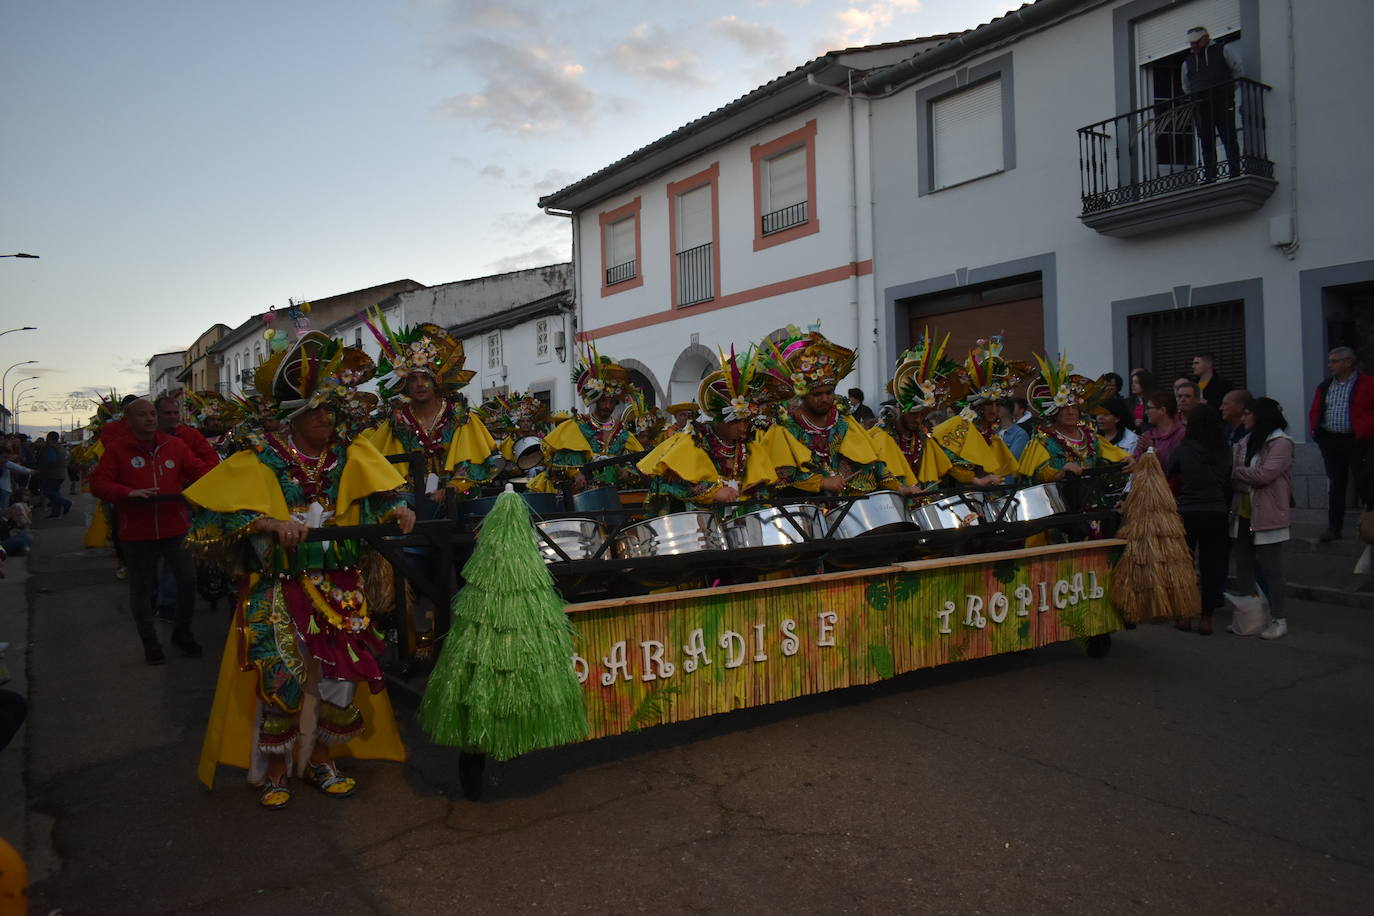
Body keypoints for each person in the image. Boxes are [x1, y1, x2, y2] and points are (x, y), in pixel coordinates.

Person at [185, 331, 416, 809]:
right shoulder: (261, 456)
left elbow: (372, 502)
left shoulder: (348, 455)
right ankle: (274, 768)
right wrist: (266, 522)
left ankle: (321, 759)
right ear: (296, 417)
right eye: (318, 412)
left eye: (332, 412)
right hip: (280, 583)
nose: (328, 420)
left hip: (340, 584)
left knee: (342, 677)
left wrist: (397, 511)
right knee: (283, 677)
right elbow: (210, 517)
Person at [90, 399, 210, 665]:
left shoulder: (176, 446)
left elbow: (200, 470)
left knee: (188, 581)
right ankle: (151, 643)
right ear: (129, 421)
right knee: (142, 588)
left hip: (175, 527)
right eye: (142, 415)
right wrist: (127, 493)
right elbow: (99, 483)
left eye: (152, 414)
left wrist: (224, 477)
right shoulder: (117, 450)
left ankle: (182, 633)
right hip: (136, 532)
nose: (150, 419)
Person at [638, 348, 805, 514]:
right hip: (699, 527)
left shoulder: (750, 448)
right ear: (720, 419)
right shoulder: (694, 441)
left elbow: (762, 494)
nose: (743, 428)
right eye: (736, 422)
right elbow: (666, 482)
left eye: (746, 421)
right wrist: (713, 492)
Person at [775, 328, 897, 496]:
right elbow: (782, 474)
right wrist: (822, 483)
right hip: (808, 511)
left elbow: (872, 462)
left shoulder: (842, 420)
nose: (825, 399)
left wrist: (900, 488)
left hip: (849, 508)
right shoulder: (787, 426)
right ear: (803, 393)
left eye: (829, 392)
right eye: (817, 394)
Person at [535, 345, 644, 494]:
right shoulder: (577, 427)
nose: (607, 405)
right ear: (596, 401)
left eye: (612, 402)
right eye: (604, 401)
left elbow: (637, 464)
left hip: (614, 496)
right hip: (582, 497)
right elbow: (559, 462)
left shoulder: (623, 434)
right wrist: (575, 473)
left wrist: (627, 472)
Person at [1230, 397, 1294, 640]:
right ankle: (1250, 618)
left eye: (1248, 414)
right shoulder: (1246, 441)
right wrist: (1245, 475)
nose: (1244, 418)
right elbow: (1235, 477)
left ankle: (1279, 618)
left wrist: (1241, 474)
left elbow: (1265, 475)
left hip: (1268, 514)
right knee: (1244, 566)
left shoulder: (1281, 443)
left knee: (1271, 568)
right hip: (1243, 512)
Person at [869, 330, 965, 491]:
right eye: (914, 414)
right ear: (900, 408)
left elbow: (944, 464)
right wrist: (903, 489)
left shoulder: (921, 436)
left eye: (923, 415)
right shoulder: (880, 435)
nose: (919, 420)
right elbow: (879, 471)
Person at [1168, 406, 1232, 635]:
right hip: (1216, 512)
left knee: (1185, 565)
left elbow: (1166, 473)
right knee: (1212, 567)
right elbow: (1228, 478)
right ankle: (1207, 618)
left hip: (1188, 512)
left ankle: (1185, 614)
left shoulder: (1183, 448)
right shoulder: (1224, 450)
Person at [931, 338, 1028, 487]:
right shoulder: (960, 425)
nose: (994, 410)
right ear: (978, 405)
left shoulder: (989, 432)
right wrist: (977, 480)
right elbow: (947, 459)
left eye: (997, 404)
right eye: (988, 404)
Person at [1018, 356, 1129, 484]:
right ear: (1054, 412)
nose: (1070, 412)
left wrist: (1126, 460)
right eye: (1064, 408)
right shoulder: (1043, 441)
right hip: (1056, 500)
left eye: (1074, 408)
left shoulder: (1091, 437)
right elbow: (1037, 474)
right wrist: (1061, 472)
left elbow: (1112, 455)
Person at [1307, 346, 1374, 542]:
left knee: (1366, 481)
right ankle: (1334, 528)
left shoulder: (1368, 383)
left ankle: (1369, 525)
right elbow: (1317, 409)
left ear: (1348, 362)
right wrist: (1316, 432)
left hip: (1359, 440)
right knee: (1336, 485)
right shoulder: (1325, 385)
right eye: (1330, 361)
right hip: (1331, 440)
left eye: (1334, 361)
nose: (1330, 365)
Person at [1181, 26, 1244, 181]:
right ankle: (1210, 175)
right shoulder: (1187, 62)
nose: (1194, 46)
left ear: (1206, 38)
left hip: (1222, 101)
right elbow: (1186, 86)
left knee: (1228, 136)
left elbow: (1238, 70)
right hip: (1201, 105)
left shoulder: (1223, 50)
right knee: (1206, 141)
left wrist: (1228, 90)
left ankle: (1235, 172)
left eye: (1196, 42)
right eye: (1191, 43)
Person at [1134, 390, 1186, 468]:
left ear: (1163, 410)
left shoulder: (1182, 433)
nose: (1146, 412)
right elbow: (1136, 462)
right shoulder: (1147, 435)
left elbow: (1178, 464)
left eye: (1149, 408)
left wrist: (1153, 451)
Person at [34, 432, 72, 519]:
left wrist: (43, 469)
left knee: (48, 492)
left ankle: (66, 503)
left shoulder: (51, 448)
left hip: (52, 474)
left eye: (47, 438)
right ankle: (56, 512)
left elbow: (51, 461)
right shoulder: (61, 447)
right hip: (61, 474)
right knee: (55, 492)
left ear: (50, 438)